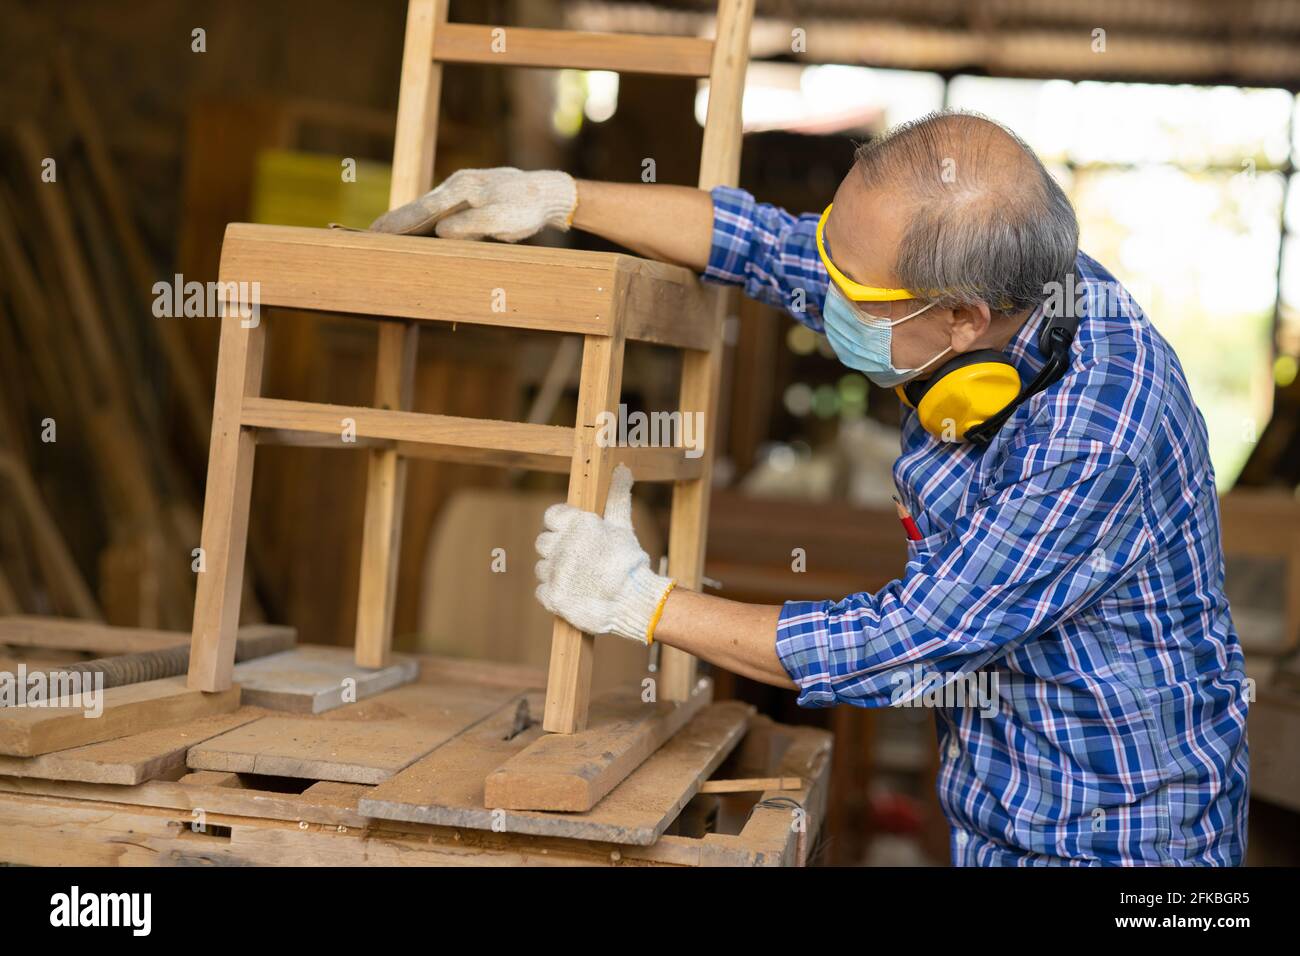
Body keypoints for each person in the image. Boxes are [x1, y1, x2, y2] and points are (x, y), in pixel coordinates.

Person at [373, 111, 1249, 866]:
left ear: (963, 321)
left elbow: (908, 642)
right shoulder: (994, 288)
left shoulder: (1096, 436)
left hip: (1127, 840)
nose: (824, 294)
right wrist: (563, 197)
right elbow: (767, 244)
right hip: (999, 809)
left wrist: (640, 601)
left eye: (854, 295)